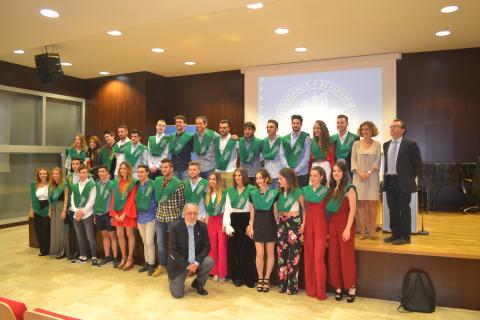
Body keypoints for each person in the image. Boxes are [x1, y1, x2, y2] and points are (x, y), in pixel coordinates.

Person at [383, 119, 422, 245]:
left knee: (404, 210)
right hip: (390, 181)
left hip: (403, 183)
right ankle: (395, 234)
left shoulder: (410, 144)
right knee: (393, 209)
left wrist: (408, 178)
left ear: (403, 130)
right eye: (391, 126)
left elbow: (418, 165)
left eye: (395, 126)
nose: (392, 128)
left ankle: (405, 237)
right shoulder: (386, 144)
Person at [167, 203, 214, 298]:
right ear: (184, 214)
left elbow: (206, 246)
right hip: (179, 264)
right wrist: (187, 266)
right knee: (178, 294)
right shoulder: (175, 227)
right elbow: (174, 251)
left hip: (195, 260)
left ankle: (198, 283)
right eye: (189, 213)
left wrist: (196, 263)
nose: (192, 216)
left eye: (195, 213)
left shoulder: (202, 226)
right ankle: (174, 280)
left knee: (209, 261)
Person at [326, 161, 357, 303]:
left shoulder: (350, 188)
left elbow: (353, 210)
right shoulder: (331, 188)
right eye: (334, 171)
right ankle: (338, 287)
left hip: (345, 225)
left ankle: (351, 287)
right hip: (333, 225)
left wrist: (348, 229)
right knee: (334, 256)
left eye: (338, 171)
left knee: (346, 257)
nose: (336, 173)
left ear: (344, 173)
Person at [223, 167, 256, 288]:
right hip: (234, 221)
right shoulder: (230, 191)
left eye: (239, 175)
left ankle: (249, 278)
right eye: (235, 175)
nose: (237, 178)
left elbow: (254, 208)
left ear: (244, 176)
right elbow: (227, 208)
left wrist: (251, 224)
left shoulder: (252, 189)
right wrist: (227, 225)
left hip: (247, 221)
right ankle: (237, 277)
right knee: (235, 251)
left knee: (248, 251)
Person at [152, 158, 185, 277]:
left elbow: (182, 202)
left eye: (166, 167)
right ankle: (161, 265)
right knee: (160, 242)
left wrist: (178, 217)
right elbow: (157, 199)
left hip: (173, 217)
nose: (164, 169)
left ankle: (174, 266)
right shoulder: (157, 180)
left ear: (171, 168)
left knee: (174, 243)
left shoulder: (178, 183)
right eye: (162, 167)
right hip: (160, 216)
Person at [248, 169, 278, 293]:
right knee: (259, 253)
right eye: (257, 178)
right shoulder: (253, 193)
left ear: (266, 178)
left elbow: (276, 212)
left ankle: (267, 279)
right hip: (258, 225)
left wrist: (278, 225)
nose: (259, 180)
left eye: (261, 178)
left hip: (270, 224)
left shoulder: (274, 193)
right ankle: (260, 278)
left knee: (270, 253)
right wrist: (251, 226)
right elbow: (252, 212)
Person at [276, 167, 306, 295]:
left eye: (281, 178)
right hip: (282, 223)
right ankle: (282, 285)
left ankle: (292, 287)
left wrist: (304, 224)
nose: (279, 181)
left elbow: (304, 210)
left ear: (287, 179)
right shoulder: (281, 193)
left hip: (294, 223)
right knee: (281, 255)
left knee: (294, 257)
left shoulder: (298, 191)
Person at [302, 166, 329, 300]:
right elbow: (303, 211)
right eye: (311, 175)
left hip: (321, 224)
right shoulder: (305, 190)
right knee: (309, 257)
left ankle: (321, 291)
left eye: (315, 175)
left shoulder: (326, 191)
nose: (312, 178)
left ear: (321, 177)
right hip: (308, 224)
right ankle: (311, 289)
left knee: (318, 258)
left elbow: (329, 212)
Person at [351, 121, 381, 240]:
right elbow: (353, 161)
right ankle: (363, 230)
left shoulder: (377, 144)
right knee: (361, 204)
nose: (364, 131)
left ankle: (372, 229)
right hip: (358, 177)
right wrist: (359, 173)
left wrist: (368, 173)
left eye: (367, 129)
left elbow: (378, 161)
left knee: (372, 203)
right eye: (362, 129)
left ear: (372, 130)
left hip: (372, 177)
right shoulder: (356, 144)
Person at [110, 161, 138, 270]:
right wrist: (113, 214)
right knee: (120, 235)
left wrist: (124, 214)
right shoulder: (116, 183)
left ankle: (130, 259)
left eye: (125, 168)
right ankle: (124, 257)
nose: (122, 170)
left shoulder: (133, 182)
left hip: (127, 213)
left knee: (129, 234)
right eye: (121, 168)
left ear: (129, 170)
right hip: (117, 213)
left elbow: (131, 200)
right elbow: (113, 199)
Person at [70, 165, 98, 266]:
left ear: (87, 174)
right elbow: (72, 200)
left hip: (87, 214)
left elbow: (92, 200)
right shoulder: (75, 186)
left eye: (84, 173)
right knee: (80, 236)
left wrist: (83, 211)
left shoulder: (91, 184)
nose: (82, 175)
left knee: (90, 236)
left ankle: (94, 256)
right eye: (80, 173)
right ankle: (83, 256)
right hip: (76, 215)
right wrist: (77, 211)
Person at [94, 165, 119, 267]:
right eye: (99, 172)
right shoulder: (96, 184)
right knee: (104, 235)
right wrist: (94, 214)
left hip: (108, 214)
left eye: (103, 171)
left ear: (107, 173)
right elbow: (95, 199)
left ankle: (116, 258)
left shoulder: (112, 184)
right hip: (99, 213)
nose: (101, 173)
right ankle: (107, 257)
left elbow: (114, 200)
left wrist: (113, 215)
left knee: (112, 236)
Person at [204, 172, 227, 283]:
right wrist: (206, 225)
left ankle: (222, 274)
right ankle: (215, 272)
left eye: (214, 179)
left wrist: (225, 224)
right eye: (210, 179)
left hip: (221, 220)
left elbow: (227, 210)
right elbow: (208, 212)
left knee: (221, 248)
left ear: (218, 181)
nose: (212, 181)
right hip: (211, 222)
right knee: (212, 248)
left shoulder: (224, 193)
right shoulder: (208, 194)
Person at [135, 165, 158, 276]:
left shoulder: (153, 184)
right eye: (138, 172)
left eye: (142, 172)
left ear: (147, 173)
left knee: (150, 242)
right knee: (145, 242)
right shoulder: (136, 184)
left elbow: (157, 199)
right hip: (140, 217)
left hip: (150, 217)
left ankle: (152, 265)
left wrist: (155, 213)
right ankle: (146, 262)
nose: (140, 174)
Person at [282, 115, 311, 187]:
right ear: (291, 124)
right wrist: (288, 168)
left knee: (302, 195)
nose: (295, 125)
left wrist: (296, 170)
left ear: (301, 124)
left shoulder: (306, 137)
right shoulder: (285, 139)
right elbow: (281, 155)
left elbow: (307, 157)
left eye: (298, 123)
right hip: (288, 174)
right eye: (294, 123)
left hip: (302, 173)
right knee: (290, 196)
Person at [29, 167, 51, 256]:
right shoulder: (34, 184)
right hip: (37, 208)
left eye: (44, 173)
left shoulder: (50, 184)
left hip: (47, 208)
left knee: (46, 231)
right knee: (38, 230)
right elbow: (32, 197)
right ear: (38, 175)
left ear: (47, 174)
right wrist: (31, 209)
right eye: (41, 174)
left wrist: (50, 210)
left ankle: (47, 249)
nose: (42, 175)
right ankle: (42, 249)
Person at [48, 167, 69, 259]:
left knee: (61, 229)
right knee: (55, 229)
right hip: (53, 208)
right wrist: (49, 210)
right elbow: (50, 199)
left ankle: (63, 250)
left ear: (60, 175)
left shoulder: (64, 184)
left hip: (61, 207)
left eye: (57, 174)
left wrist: (64, 210)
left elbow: (66, 199)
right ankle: (56, 248)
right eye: (53, 174)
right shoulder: (51, 185)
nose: (55, 175)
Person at [263, 119, 288, 189]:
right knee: (268, 199)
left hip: (279, 176)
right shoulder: (264, 141)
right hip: (267, 177)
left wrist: (287, 169)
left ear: (276, 129)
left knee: (279, 198)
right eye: (267, 127)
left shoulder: (282, 140)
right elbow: (261, 157)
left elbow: (283, 157)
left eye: (271, 127)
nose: (268, 129)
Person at [214, 119, 239, 189]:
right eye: (220, 128)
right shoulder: (216, 140)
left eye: (224, 128)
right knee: (220, 196)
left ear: (229, 128)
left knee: (230, 196)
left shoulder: (234, 140)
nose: (222, 130)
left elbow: (241, 154)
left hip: (230, 172)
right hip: (218, 172)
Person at [169, 115, 194, 180]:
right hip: (174, 168)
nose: (178, 124)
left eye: (180, 122)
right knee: (175, 188)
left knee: (185, 187)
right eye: (176, 122)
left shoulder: (190, 137)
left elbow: (195, 150)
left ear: (185, 124)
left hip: (185, 168)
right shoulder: (172, 136)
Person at [66, 158, 81, 260]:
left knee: (81, 232)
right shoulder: (69, 176)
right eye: (73, 164)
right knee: (74, 232)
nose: (75, 166)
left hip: (82, 208)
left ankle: (82, 252)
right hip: (72, 207)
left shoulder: (86, 175)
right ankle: (75, 251)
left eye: (77, 164)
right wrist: (68, 206)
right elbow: (68, 191)